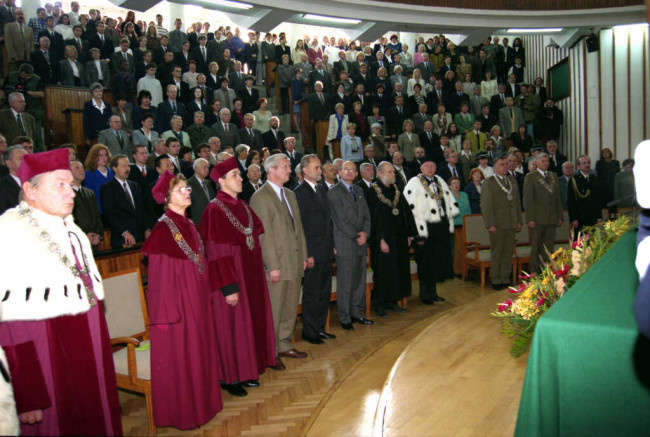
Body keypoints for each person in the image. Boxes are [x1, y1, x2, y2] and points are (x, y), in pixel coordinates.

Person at [0, 148, 122, 435]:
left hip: (88, 355)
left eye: (71, 184)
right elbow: (10, 325)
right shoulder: (9, 233)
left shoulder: (73, 231)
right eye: (60, 184)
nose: (72, 192)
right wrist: (27, 394)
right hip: (45, 366)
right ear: (30, 190)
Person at [141, 171, 222, 428]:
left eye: (187, 189)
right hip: (178, 310)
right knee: (184, 359)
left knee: (200, 355)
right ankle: (187, 412)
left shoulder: (188, 224)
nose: (187, 192)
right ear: (166, 199)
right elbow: (159, 280)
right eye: (180, 190)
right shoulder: (163, 229)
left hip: (196, 302)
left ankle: (205, 405)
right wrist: (166, 318)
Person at [250, 154, 309, 364]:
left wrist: (303, 255)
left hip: (293, 262)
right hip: (277, 265)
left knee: (291, 306)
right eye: (286, 166)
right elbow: (263, 236)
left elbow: (298, 228)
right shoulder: (260, 197)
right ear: (272, 170)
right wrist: (272, 266)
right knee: (274, 309)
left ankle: (284, 344)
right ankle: (271, 350)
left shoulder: (290, 195)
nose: (290, 170)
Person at [293, 155, 337, 344]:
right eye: (316, 168)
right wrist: (307, 253)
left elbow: (328, 220)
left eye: (320, 168)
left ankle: (319, 328)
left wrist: (333, 245)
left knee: (324, 292)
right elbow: (301, 227)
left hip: (326, 249)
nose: (320, 171)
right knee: (311, 293)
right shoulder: (299, 192)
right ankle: (309, 331)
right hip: (312, 252)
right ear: (305, 170)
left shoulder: (321, 189)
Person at [404, 158, 458, 304]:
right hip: (424, 230)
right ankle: (425, 294)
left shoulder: (439, 180)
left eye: (432, 166)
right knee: (425, 263)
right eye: (426, 166)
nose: (430, 168)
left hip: (439, 228)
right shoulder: (414, 182)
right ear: (421, 168)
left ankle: (433, 292)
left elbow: (447, 202)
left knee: (435, 262)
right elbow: (410, 210)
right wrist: (416, 234)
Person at [366, 161, 417, 316]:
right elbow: (373, 218)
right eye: (389, 172)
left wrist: (409, 234)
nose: (392, 175)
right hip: (383, 240)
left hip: (399, 239)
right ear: (379, 173)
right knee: (383, 271)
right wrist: (380, 239)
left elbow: (406, 213)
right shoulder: (372, 192)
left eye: (393, 172)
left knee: (397, 270)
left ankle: (393, 301)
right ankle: (380, 303)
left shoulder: (396, 190)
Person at [327, 160, 372, 328]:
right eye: (346, 169)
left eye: (353, 170)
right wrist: (356, 235)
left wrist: (365, 233)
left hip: (361, 242)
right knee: (345, 282)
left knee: (359, 281)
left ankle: (356, 312)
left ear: (356, 173)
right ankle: (345, 317)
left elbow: (367, 215)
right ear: (339, 172)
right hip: (345, 242)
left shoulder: (359, 190)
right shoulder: (334, 192)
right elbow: (338, 219)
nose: (350, 172)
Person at [481, 156, 522, 289]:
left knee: (508, 251)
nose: (505, 166)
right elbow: (486, 205)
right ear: (495, 167)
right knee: (497, 251)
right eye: (501, 164)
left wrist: (518, 220)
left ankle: (505, 277)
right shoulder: (489, 182)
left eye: (506, 164)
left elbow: (516, 202)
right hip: (497, 223)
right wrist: (490, 224)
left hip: (511, 222)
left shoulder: (511, 180)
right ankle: (496, 279)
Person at [523, 153, 564, 273]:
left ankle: (547, 272)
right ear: (536, 162)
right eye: (543, 160)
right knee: (536, 247)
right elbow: (528, 199)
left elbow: (557, 198)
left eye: (547, 161)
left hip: (551, 217)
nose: (546, 163)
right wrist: (530, 218)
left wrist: (559, 215)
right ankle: (535, 273)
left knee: (549, 247)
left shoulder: (553, 176)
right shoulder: (531, 177)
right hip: (537, 218)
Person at [101, 154, 150, 248]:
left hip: (140, 236)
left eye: (128, 165)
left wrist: (147, 228)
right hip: (122, 237)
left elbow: (142, 209)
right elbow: (110, 214)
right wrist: (124, 232)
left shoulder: (135, 186)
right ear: (114, 168)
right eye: (123, 166)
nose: (127, 169)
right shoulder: (108, 188)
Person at [70, 159, 103, 250]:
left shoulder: (89, 193)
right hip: (77, 243)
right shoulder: (67, 194)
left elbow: (96, 216)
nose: (81, 170)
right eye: (77, 168)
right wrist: (84, 236)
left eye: (82, 167)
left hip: (94, 242)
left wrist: (98, 235)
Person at [567, 155, 602, 235]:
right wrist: (573, 218)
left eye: (588, 163)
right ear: (578, 166)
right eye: (584, 163)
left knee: (593, 240)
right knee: (580, 242)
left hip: (593, 216)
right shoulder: (574, 180)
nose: (587, 165)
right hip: (580, 216)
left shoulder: (594, 178)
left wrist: (599, 216)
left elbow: (598, 199)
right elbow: (570, 201)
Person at [449, 176, 471, 274]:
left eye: (457, 183)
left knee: (465, 248)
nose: (456, 185)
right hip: (454, 226)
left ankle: (466, 268)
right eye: (454, 183)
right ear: (449, 186)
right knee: (456, 249)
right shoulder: (448, 195)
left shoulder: (464, 194)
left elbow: (468, 209)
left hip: (465, 225)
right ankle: (456, 270)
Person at [83, 143, 114, 214]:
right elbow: (89, 196)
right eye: (100, 155)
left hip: (114, 209)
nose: (104, 158)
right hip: (99, 210)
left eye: (106, 155)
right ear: (94, 157)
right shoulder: (88, 174)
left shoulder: (111, 171)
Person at [0, 146, 27, 215]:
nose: (26, 162)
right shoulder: (2, 187)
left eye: (27, 158)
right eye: (21, 159)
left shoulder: (36, 182)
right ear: (8, 163)